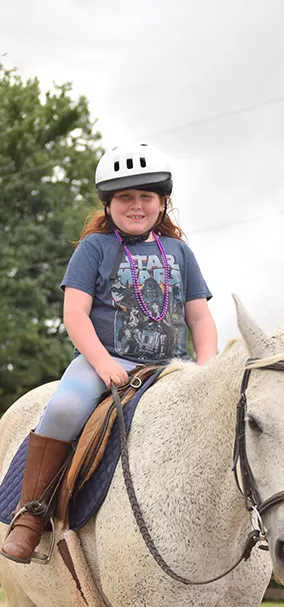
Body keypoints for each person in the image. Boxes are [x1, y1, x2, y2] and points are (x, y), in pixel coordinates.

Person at [1, 143, 217, 564]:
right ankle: (31, 516)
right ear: (109, 203)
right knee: (64, 408)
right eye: (125, 197)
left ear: (162, 202)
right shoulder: (94, 248)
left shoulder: (181, 254)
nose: (136, 205)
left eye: (146, 197)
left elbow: (201, 319)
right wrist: (101, 363)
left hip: (171, 367)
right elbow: (75, 314)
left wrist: (206, 367)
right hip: (107, 360)